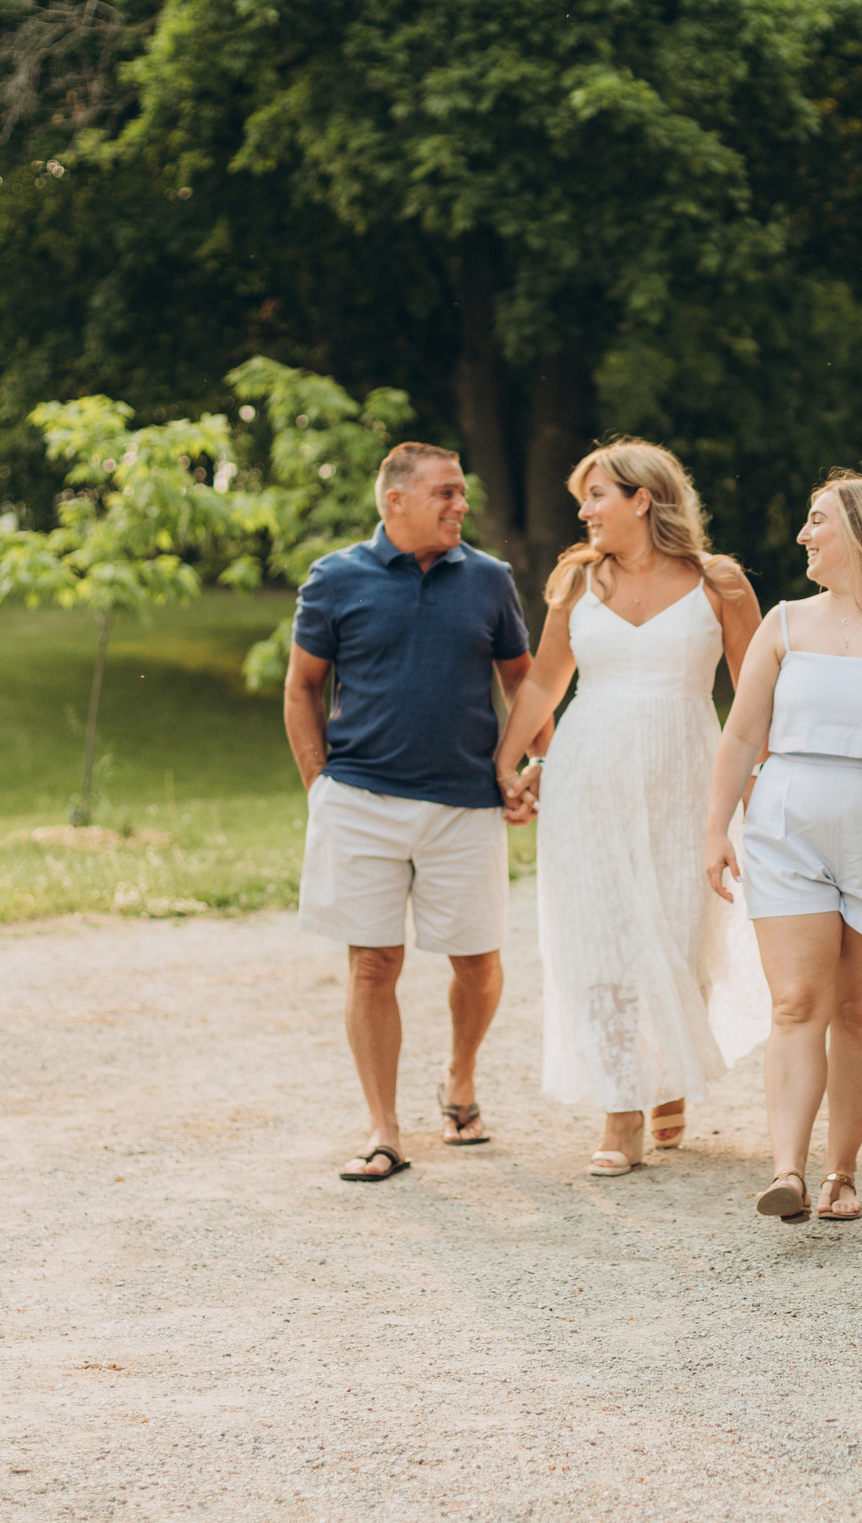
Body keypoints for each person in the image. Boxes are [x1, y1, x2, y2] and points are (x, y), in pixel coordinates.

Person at [495, 441, 765, 1176]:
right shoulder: (577, 582)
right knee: (602, 941)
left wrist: (762, 786)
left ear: (643, 499)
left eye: (596, 496)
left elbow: (754, 694)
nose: (583, 512)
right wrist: (506, 759)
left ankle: (670, 1077)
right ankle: (620, 1108)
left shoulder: (720, 583)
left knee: (681, 933)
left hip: (687, 771)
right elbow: (545, 684)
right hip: (591, 774)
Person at [284, 441, 543, 1185]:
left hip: (464, 803)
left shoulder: (489, 581)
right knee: (372, 963)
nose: (461, 505)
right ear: (393, 500)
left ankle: (459, 1075)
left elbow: (524, 681)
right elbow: (302, 686)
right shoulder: (335, 579)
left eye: (462, 494)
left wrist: (536, 764)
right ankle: (384, 1130)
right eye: (446, 493)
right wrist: (319, 786)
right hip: (359, 799)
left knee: (479, 960)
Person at [704, 473, 862, 1223]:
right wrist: (716, 828)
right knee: (797, 1000)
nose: (804, 535)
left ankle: (842, 1171)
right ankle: (787, 1169)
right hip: (787, 823)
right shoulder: (784, 623)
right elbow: (742, 732)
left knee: (861, 1009)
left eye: (818, 522)